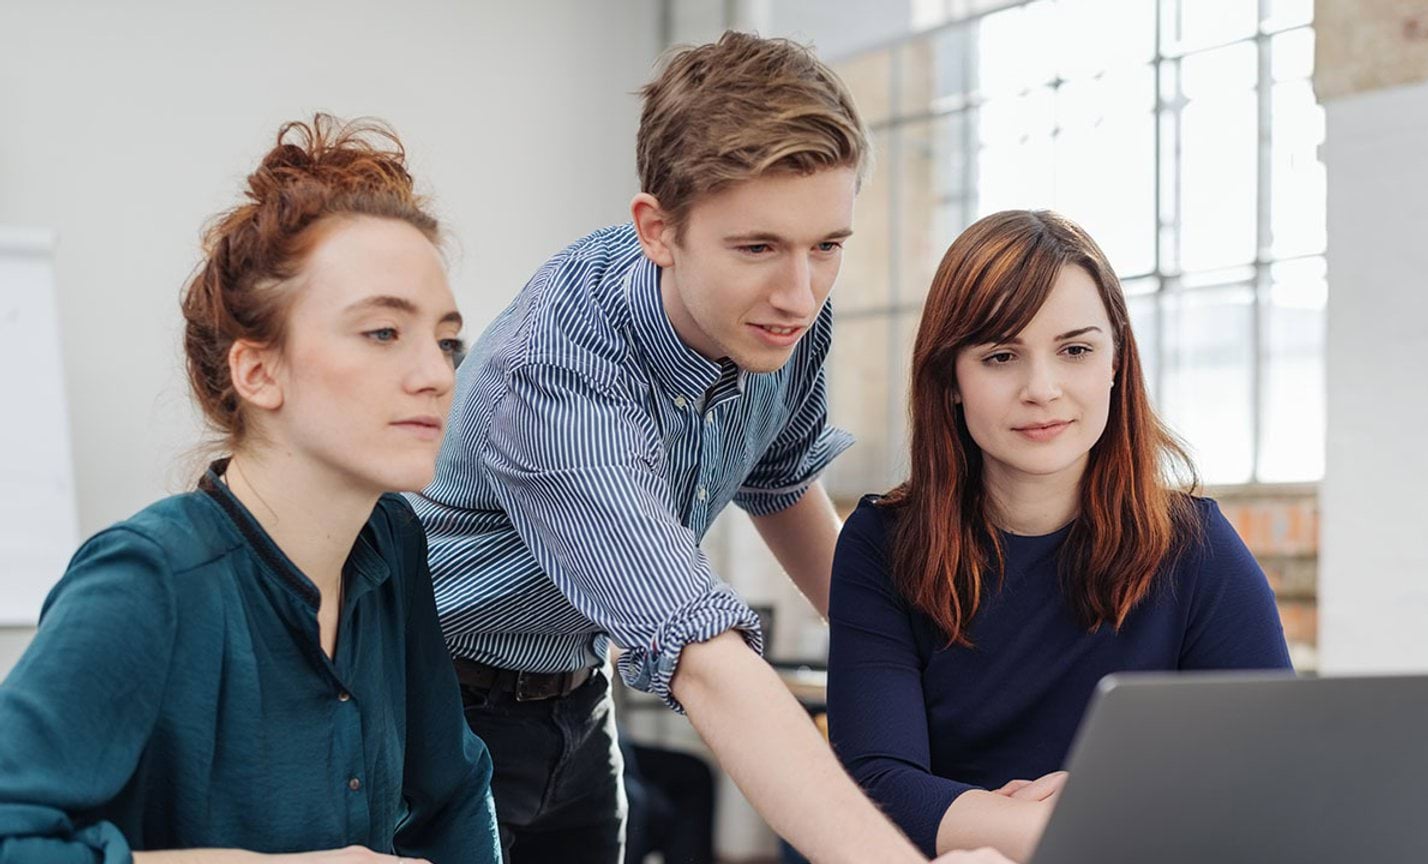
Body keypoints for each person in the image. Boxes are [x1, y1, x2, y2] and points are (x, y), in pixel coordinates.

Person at [411, 30, 1009, 864]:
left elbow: (777, 478)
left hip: (578, 702)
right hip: (433, 708)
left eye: (827, 246)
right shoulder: (550, 377)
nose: (799, 294)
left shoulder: (779, 313)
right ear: (659, 229)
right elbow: (698, 653)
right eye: (757, 246)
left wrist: (929, 676)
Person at [0, 115, 499, 863]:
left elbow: (454, 792)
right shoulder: (148, 578)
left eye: (446, 338)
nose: (436, 373)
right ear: (258, 372)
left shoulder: (392, 538)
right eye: (383, 333)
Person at [827, 210, 1294, 862]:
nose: (1041, 390)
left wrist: (1093, 814)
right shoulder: (881, 543)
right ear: (950, 381)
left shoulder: (1197, 548)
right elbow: (874, 784)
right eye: (1000, 356)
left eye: (1075, 350)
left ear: (1115, 362)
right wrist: (1089, 824)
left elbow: (1274, 779)